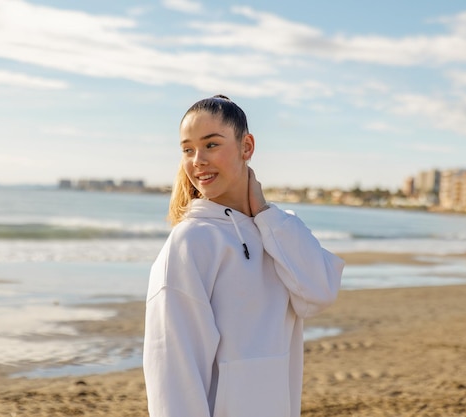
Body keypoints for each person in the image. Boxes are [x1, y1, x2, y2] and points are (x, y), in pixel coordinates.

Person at [143, 95, 344, 417]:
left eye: (211, 145)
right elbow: (172, 368)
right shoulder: (190, 241)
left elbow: (318, 294)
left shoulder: (280, 230)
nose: (197, 160)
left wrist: (265, 214)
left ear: (246, 147)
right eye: (187, 149)